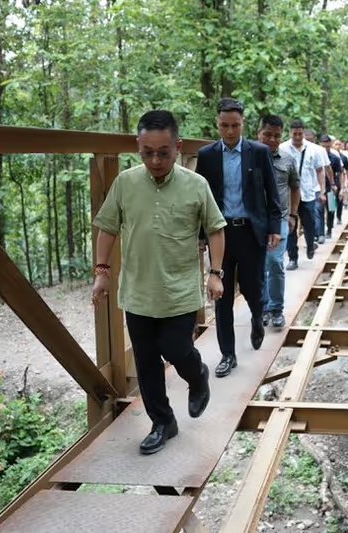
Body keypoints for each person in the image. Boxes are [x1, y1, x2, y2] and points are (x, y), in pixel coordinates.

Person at [92, 110, 226, 455]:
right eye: (147, 152)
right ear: (138, 146)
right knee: (147, 363)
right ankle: (163, 422)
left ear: (178, 147)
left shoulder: (196, 185)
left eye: (163, 152)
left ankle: (198, 377)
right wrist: (101, 273)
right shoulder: (125, 182)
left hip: (179, 291)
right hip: (137, 293)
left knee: (177, 349)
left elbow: (215, 228)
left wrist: (215, 273)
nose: (155, 159)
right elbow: (107, 227)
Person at [196, 98, 281, 378]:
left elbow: (272, 193)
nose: (229, 131)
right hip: (219, 234)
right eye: (224, 126)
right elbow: (200, 199)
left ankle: (258, 318)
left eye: (234, 125)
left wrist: (275, 228)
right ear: (217, 124)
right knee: (221, 296)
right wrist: (200, 236)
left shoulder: (258, 152)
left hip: (251, 232)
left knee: (253, 290)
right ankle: (227, 354)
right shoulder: (207, 155)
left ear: (243, 124)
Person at [258, 115, 300, 329]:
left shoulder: (288, 159)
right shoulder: (250, 157)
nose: (272, 140)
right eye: (268, 135)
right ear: (259, 134)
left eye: (276, 136)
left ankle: (276, 309)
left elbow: (295, 187)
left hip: (280, 218)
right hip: (255, 220)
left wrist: (293, 214)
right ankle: (262, 308)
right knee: (259, 265)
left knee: (274, 262)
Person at [281, 120, 328, 271]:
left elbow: (320, 170)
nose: (297, 136)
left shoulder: (313, 149)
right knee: (291, 226)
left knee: (310, 224)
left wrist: (322, 190)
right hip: (289, 195)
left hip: (308, 194)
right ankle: (293, 258)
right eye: (294, 134)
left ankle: (310, 246)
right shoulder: (283, 148)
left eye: (300, 133)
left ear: (303, 133)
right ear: (290, 133)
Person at [320, 134, 344, 236]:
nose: (326, 148)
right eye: (324, 146)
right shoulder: (316, 156)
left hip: (331, 186)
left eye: (327, 146)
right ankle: (320, 232)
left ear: (330, 145)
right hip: (319, 187)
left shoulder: (335, 158)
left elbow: (340, 173)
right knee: (319, 210)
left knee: (331, 208)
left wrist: (341, 188)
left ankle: (329, 229)